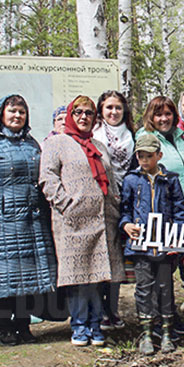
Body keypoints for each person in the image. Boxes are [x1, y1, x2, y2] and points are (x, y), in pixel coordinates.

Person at [0, 95, 57, 346]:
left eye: (22, 112)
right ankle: (4, 327)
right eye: (12, 111)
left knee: (28, 276)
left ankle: (23, 324)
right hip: (2, 221)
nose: (17, 116)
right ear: (0, 114)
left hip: (32, 219)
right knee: (3, 276)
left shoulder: (31, 144)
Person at [40, 95, 125, 347]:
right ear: (70, 115)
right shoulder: (57, 143)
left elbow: (110, 178)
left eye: (89, 113)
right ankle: (79, 326)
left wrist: (114, 205)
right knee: (78, 277)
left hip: (102, 222)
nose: (84, 117)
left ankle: (96, 324)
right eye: (78, 112)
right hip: (73, 222)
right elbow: (48, 178)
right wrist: (66, 204)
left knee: (99, 276)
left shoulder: (99, 145)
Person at [119, 133, 184, 355]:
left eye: (149, 156)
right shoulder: (131, 180)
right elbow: (125, 209)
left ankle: (167, 332)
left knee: (165, 287)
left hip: (165, 244)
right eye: (141, 156)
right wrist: (126, 225)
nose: (145, 160)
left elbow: (179, 210)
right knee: (144, 288)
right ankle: (146, 333)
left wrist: (176, 235)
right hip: (140, 246)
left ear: (159, 155)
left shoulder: (170, 179)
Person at [135, 96, 184, 323]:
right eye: (158, 114)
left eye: (168, 113)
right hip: (160, 212)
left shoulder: (181, 138)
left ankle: (172, 316)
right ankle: (155, 321)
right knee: (158, 269)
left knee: (179, 261)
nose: (164, 118)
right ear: (151, 117)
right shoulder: (146, 139)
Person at [92, 90, 136, 331]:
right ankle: (99, 310)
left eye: (118, 108)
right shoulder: (95, 133)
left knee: (118, 258)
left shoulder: (131, 136)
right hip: (103, 201)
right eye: (109, 107)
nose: (113, 112)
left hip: (125, 198)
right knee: (103, 255)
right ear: (101, 110)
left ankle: (114, 309)